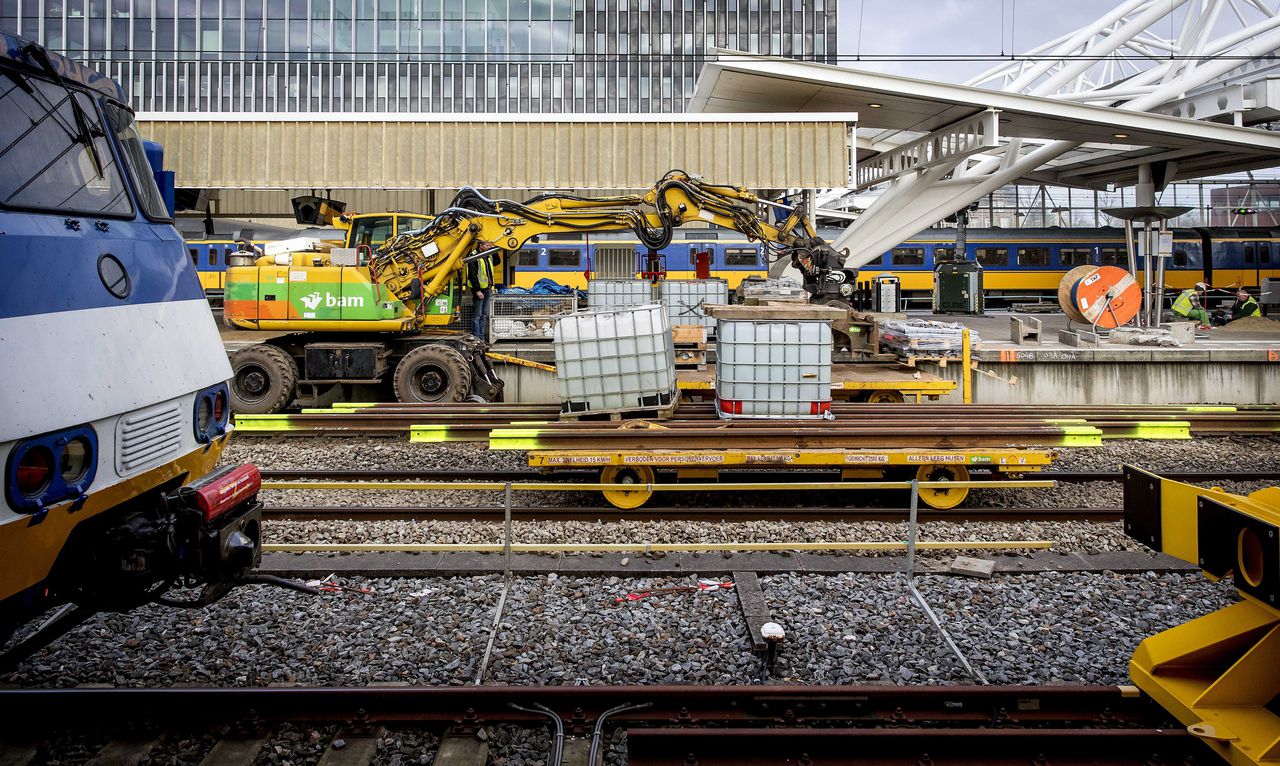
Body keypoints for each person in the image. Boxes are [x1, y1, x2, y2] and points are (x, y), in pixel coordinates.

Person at [467, 248, 496, 340]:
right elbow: (472, 274)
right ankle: (477, 337)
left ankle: (481, 337)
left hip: (487, 289)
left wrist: (493, 250)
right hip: (479, 290)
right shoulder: (474, 256)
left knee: (484, 315)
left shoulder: (488, 255)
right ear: (481, 245)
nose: (489, 246)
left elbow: (497, 262)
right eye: (487, 244)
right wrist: (477, 290)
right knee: (477, 315)